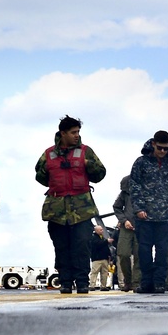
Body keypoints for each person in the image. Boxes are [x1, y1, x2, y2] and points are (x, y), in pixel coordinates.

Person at [35, 116, 106, 294]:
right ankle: (65, 282)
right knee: (61, 247)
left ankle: (82, 282)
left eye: (78, 132)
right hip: (56, 210)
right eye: (73, 132)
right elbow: (40, 176)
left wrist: (88, 166)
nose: (76, 136)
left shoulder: (85, 152)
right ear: (63, 133)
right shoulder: (48, 154)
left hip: (81, 209)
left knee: (82, 246)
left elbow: (100, 174)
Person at [130, 131, 168, 294]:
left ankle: (160, 282)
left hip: (165, 216)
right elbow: (134, 186)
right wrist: (139, 208)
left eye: (166, 149)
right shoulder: (140, 163)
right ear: (153, 144)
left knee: (163, 251)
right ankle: (146, 282)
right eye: (160, 148)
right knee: (144, 251)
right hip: (145, 216)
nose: (162, 152)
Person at [112, 175, 141, 291]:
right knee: (123, 254)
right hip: (126, 227)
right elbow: (117, 207)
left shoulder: (146, 187)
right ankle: (128, 281)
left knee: (140, 255)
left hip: (141, 227)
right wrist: (124, 221)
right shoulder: (125, 191)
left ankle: (137, 282)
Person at [88, 224, 112, 290]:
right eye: (100, 230)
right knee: (94, 272)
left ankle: (103, 286)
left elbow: (106, 248)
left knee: (105, 273)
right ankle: (92, 285)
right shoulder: (93, 237)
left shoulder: (102, 238)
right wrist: (106, 241)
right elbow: (97, 244)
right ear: (96, 231)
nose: (102, 231)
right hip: (97, 258)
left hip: (104, 258)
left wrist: (109, 256)